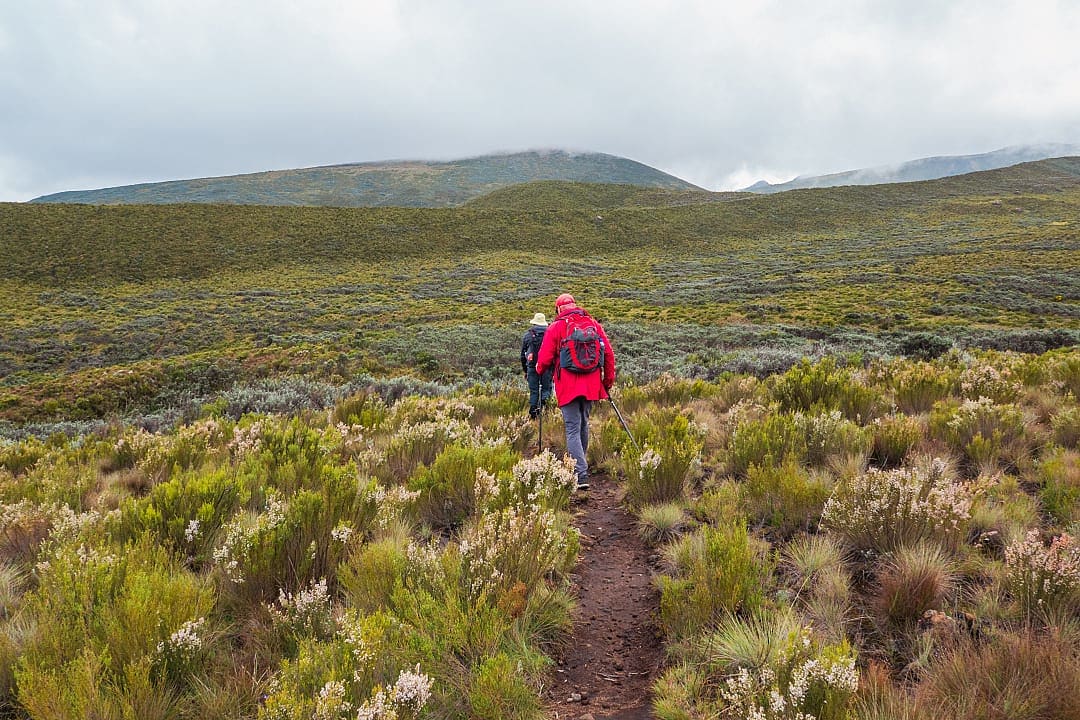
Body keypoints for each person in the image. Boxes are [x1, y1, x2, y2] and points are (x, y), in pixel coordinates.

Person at [534, 293, 616, 492]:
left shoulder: (556, 327)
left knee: (572, 427)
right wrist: (607, 382)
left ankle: (580, 474)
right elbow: (608, 354)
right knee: (583, 422)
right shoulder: (593, 324)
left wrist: (538, 369)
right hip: (591, 383)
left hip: (568, 384)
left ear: (558, 309)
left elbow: (544, 358)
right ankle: (582, 464)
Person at [521, 312, 553, 418]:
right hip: (547, 367)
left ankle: (533, 413)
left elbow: (523, 355)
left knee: (534, 391)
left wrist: (525, 370)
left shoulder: (528, 335)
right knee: (546, 389)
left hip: (531, 367)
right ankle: (544, 411)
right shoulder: (551, 334)